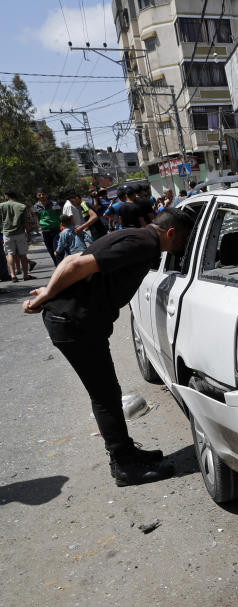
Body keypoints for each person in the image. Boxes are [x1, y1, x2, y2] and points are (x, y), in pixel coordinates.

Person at [23, 208, 195, 486]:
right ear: (172, 233)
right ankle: (125, 466)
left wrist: (48, 293)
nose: (183, 247)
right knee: (104, 395)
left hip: (75, 321)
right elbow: (72, 266)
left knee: (107, 392)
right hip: (73, 322)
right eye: (184, 240)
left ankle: (125, 454)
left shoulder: (134, 236)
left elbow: (70, 259)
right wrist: (46, 295)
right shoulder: (144, 243)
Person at [2, 191, 34, 282]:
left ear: (6, 196)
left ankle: (13, 275)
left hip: (7, 234)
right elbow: (26, 222)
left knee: (10, 254)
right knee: (23, 254)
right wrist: (28, 234)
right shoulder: (22, 206)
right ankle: (25, 275)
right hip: (20, 233)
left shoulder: (1, 206)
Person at [35, 189, 62, 264]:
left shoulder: (54, 204)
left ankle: (60, 266)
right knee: (50, 250)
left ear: (46, 195)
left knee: (57, 249)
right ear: (37, 196)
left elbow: (60, 215)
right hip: (45, 231)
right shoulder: (36, 206)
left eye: (43, 194)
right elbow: (37, 218)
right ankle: (57, 265)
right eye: (39, 195)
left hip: (55, 229)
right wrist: (37, 228)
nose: (41, 196)